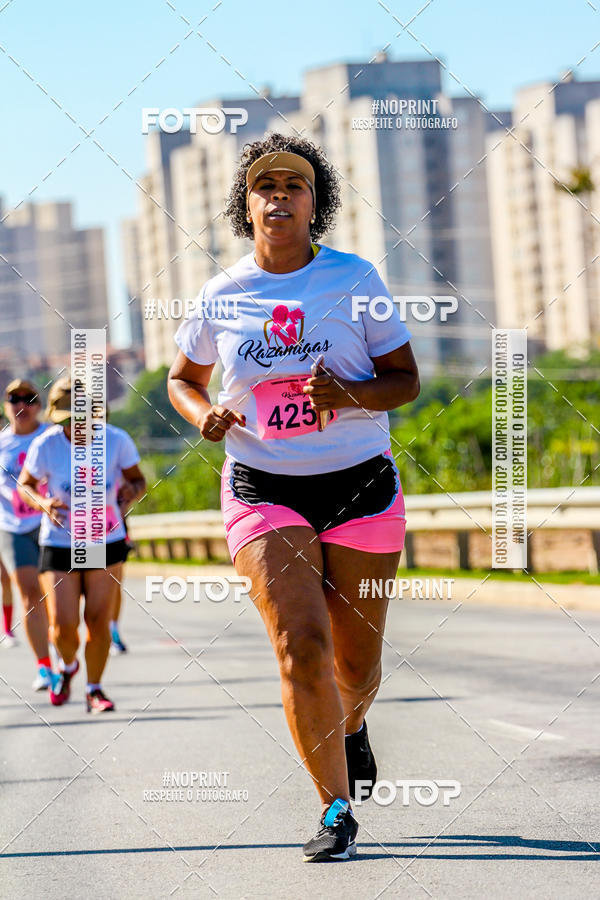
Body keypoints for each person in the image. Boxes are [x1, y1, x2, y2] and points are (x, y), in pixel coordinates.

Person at [168, 134, 420, 861]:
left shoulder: (355, 278)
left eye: (296, 184)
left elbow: (405, 379)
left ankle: (351, 724)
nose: (279, 194)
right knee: (300, 647)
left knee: (357, 669)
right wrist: (201, 415)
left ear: (316, 203)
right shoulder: (223, 293)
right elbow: (183, 379)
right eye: (264, 185)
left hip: (362, 485)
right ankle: (335, 810)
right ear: (246, 207)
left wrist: (351, 394)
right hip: (263, 485)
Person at [17, 376, 146, 712]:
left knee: (99, 619)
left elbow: (137, 479)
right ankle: (69, 664)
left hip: (105, 540)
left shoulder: (116, 441)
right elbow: (25, 485)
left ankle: (95, 688)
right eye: (66, 421)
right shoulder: (46, 445)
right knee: (62, 625)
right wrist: (43, 504)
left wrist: (130, 493)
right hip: (59, 541)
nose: (74, 427)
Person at [0, 379, 54, 689]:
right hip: (14, 527)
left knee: (54, 597)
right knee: (29, 592)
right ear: (6, 405)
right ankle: (44, 666)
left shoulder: (51, 436)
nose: (22, 405)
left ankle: (62, 651)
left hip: (51, 525)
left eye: (30, 398)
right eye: (14, 399)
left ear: (39, 404)